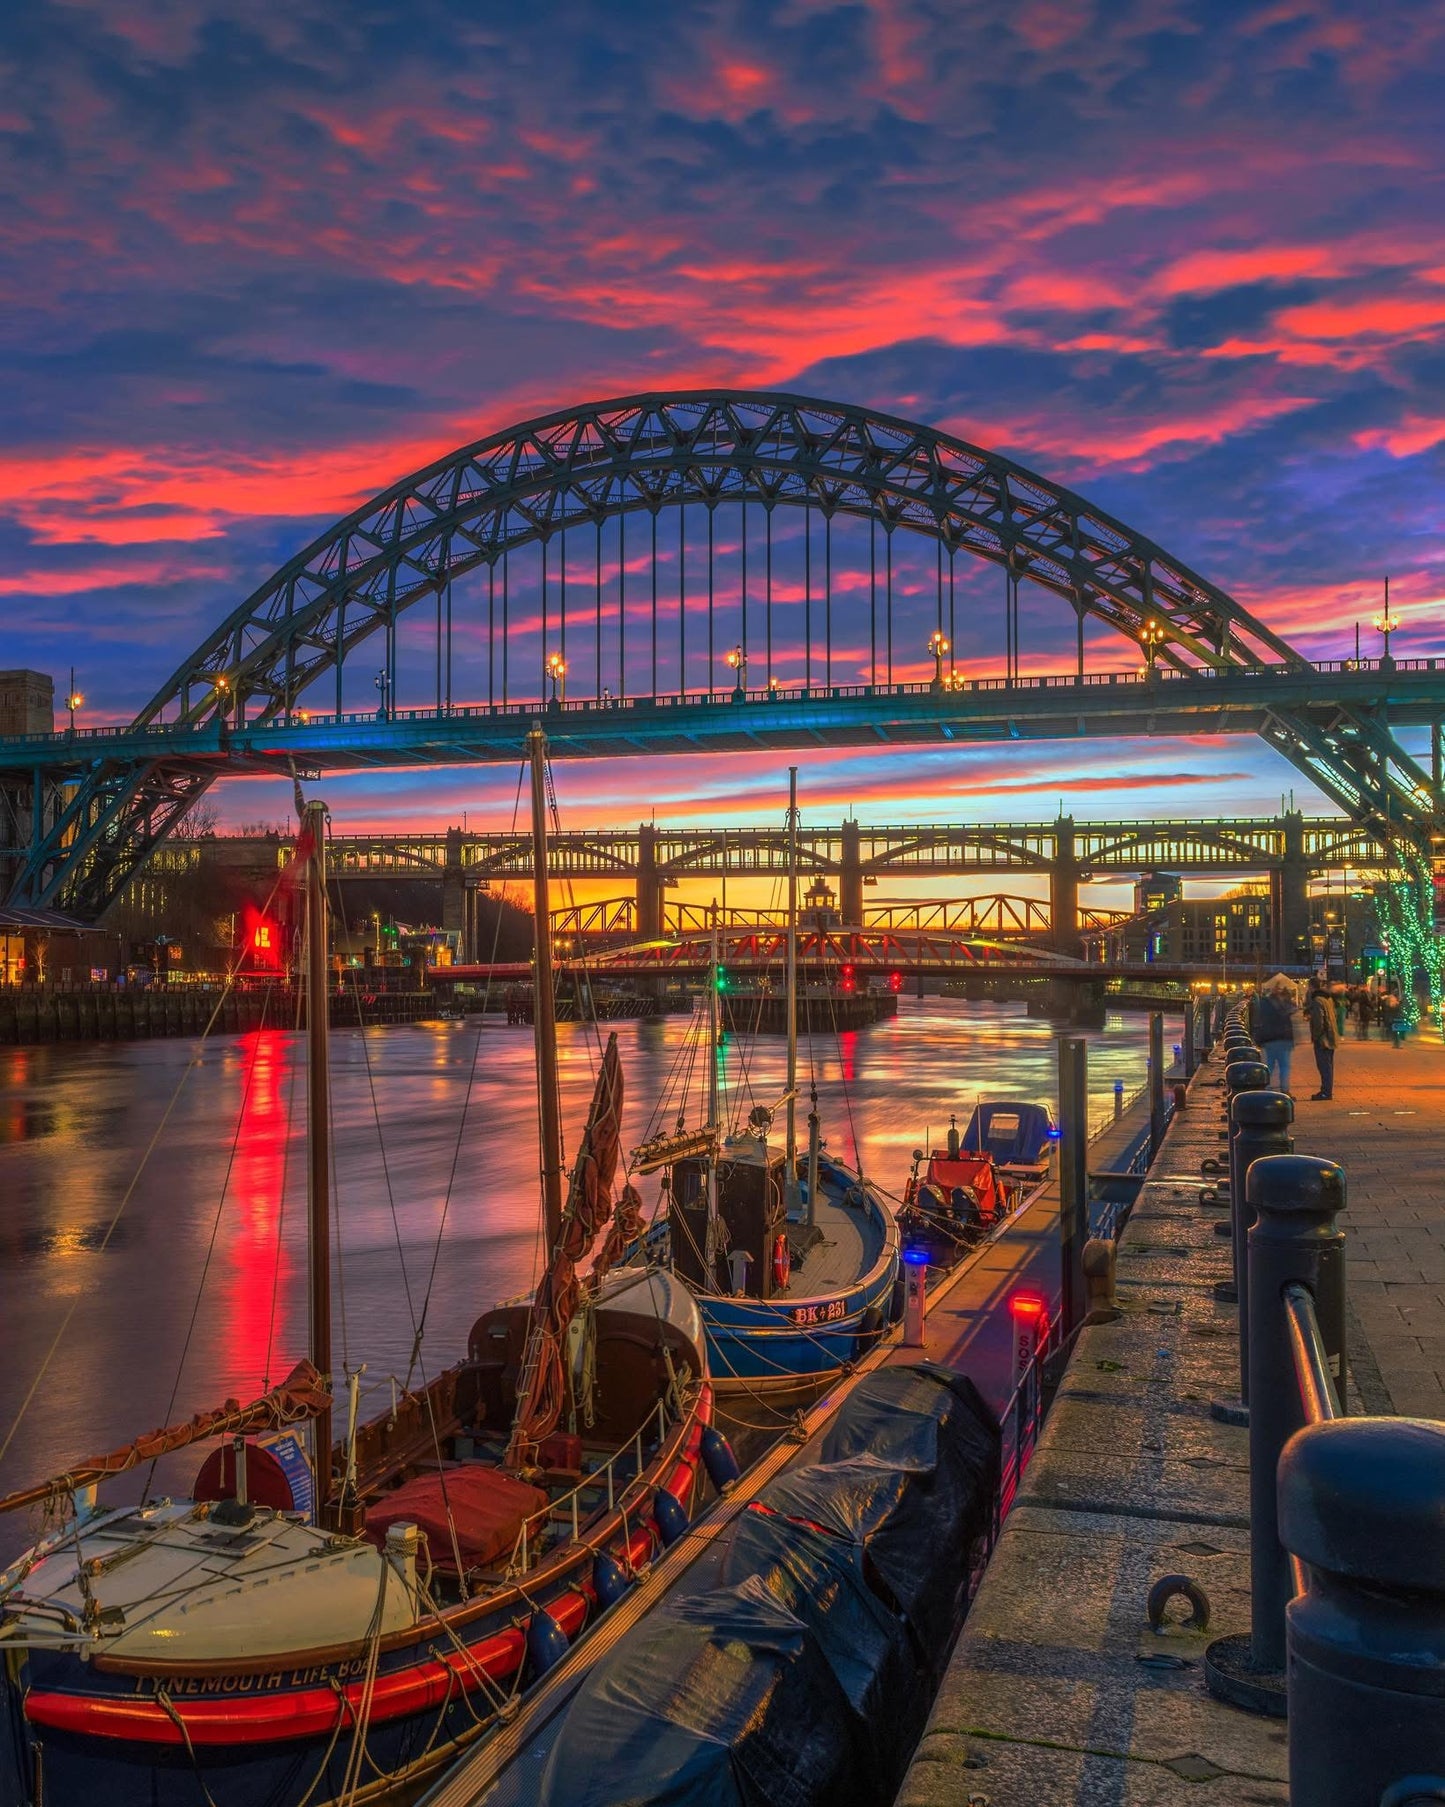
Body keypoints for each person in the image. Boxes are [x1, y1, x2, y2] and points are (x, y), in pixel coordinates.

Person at [1254, 973, 1299, 1094]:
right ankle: (1284, 1090)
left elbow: (1259, 1019)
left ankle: (1268, 1087)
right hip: (1283, 1038)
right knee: (1284, 1066)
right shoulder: (1285, 1003)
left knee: (1270, 1064)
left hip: (1269, 1038)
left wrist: (1258, 1037)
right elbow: (1293, 1010)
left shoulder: (1264, 1003)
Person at [1308, 979, 1338, 1100]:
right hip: (1331, 1036)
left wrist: (1316, 1036)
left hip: (1323, 1039)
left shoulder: (1317, 1001)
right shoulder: (1328, 999)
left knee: (1324, 1066)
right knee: (1329, 1066)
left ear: (1311, 987)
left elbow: (1319, 1021)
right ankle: (1327, 1090)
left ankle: (1326, 1092)